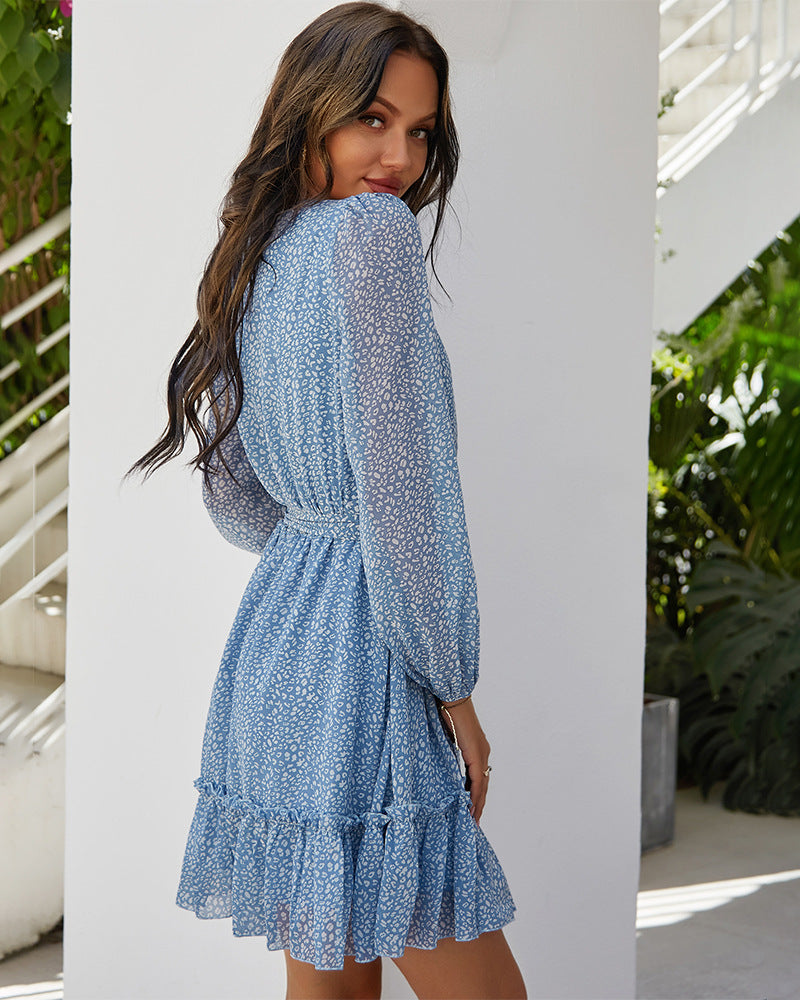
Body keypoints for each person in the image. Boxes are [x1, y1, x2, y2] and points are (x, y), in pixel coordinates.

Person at [125, 3, 526, 997]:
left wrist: (315, 531)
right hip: (367, 658)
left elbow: (235, 501)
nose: (398, 158)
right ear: (312, 111)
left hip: (277, 648)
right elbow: (403, 495)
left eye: (420, 131)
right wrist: (456, 689)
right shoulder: (373, 236)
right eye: (372, 120)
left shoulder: (255, 253)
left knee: (332, 989)